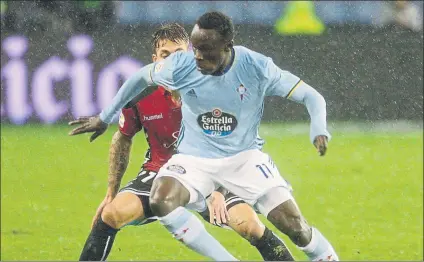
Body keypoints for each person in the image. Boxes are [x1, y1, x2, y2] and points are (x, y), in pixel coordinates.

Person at [69, 11, 339, 261]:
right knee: (160, 199)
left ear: (227, 46)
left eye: (204, 50)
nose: (196, 57)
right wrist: (104, 117)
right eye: (195, 49)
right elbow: (139, 78)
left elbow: (310, 96)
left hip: (243, 159)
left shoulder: (257, 67)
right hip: (193, 160)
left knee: (294, 227)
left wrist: (318, 129)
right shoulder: (182, 66)